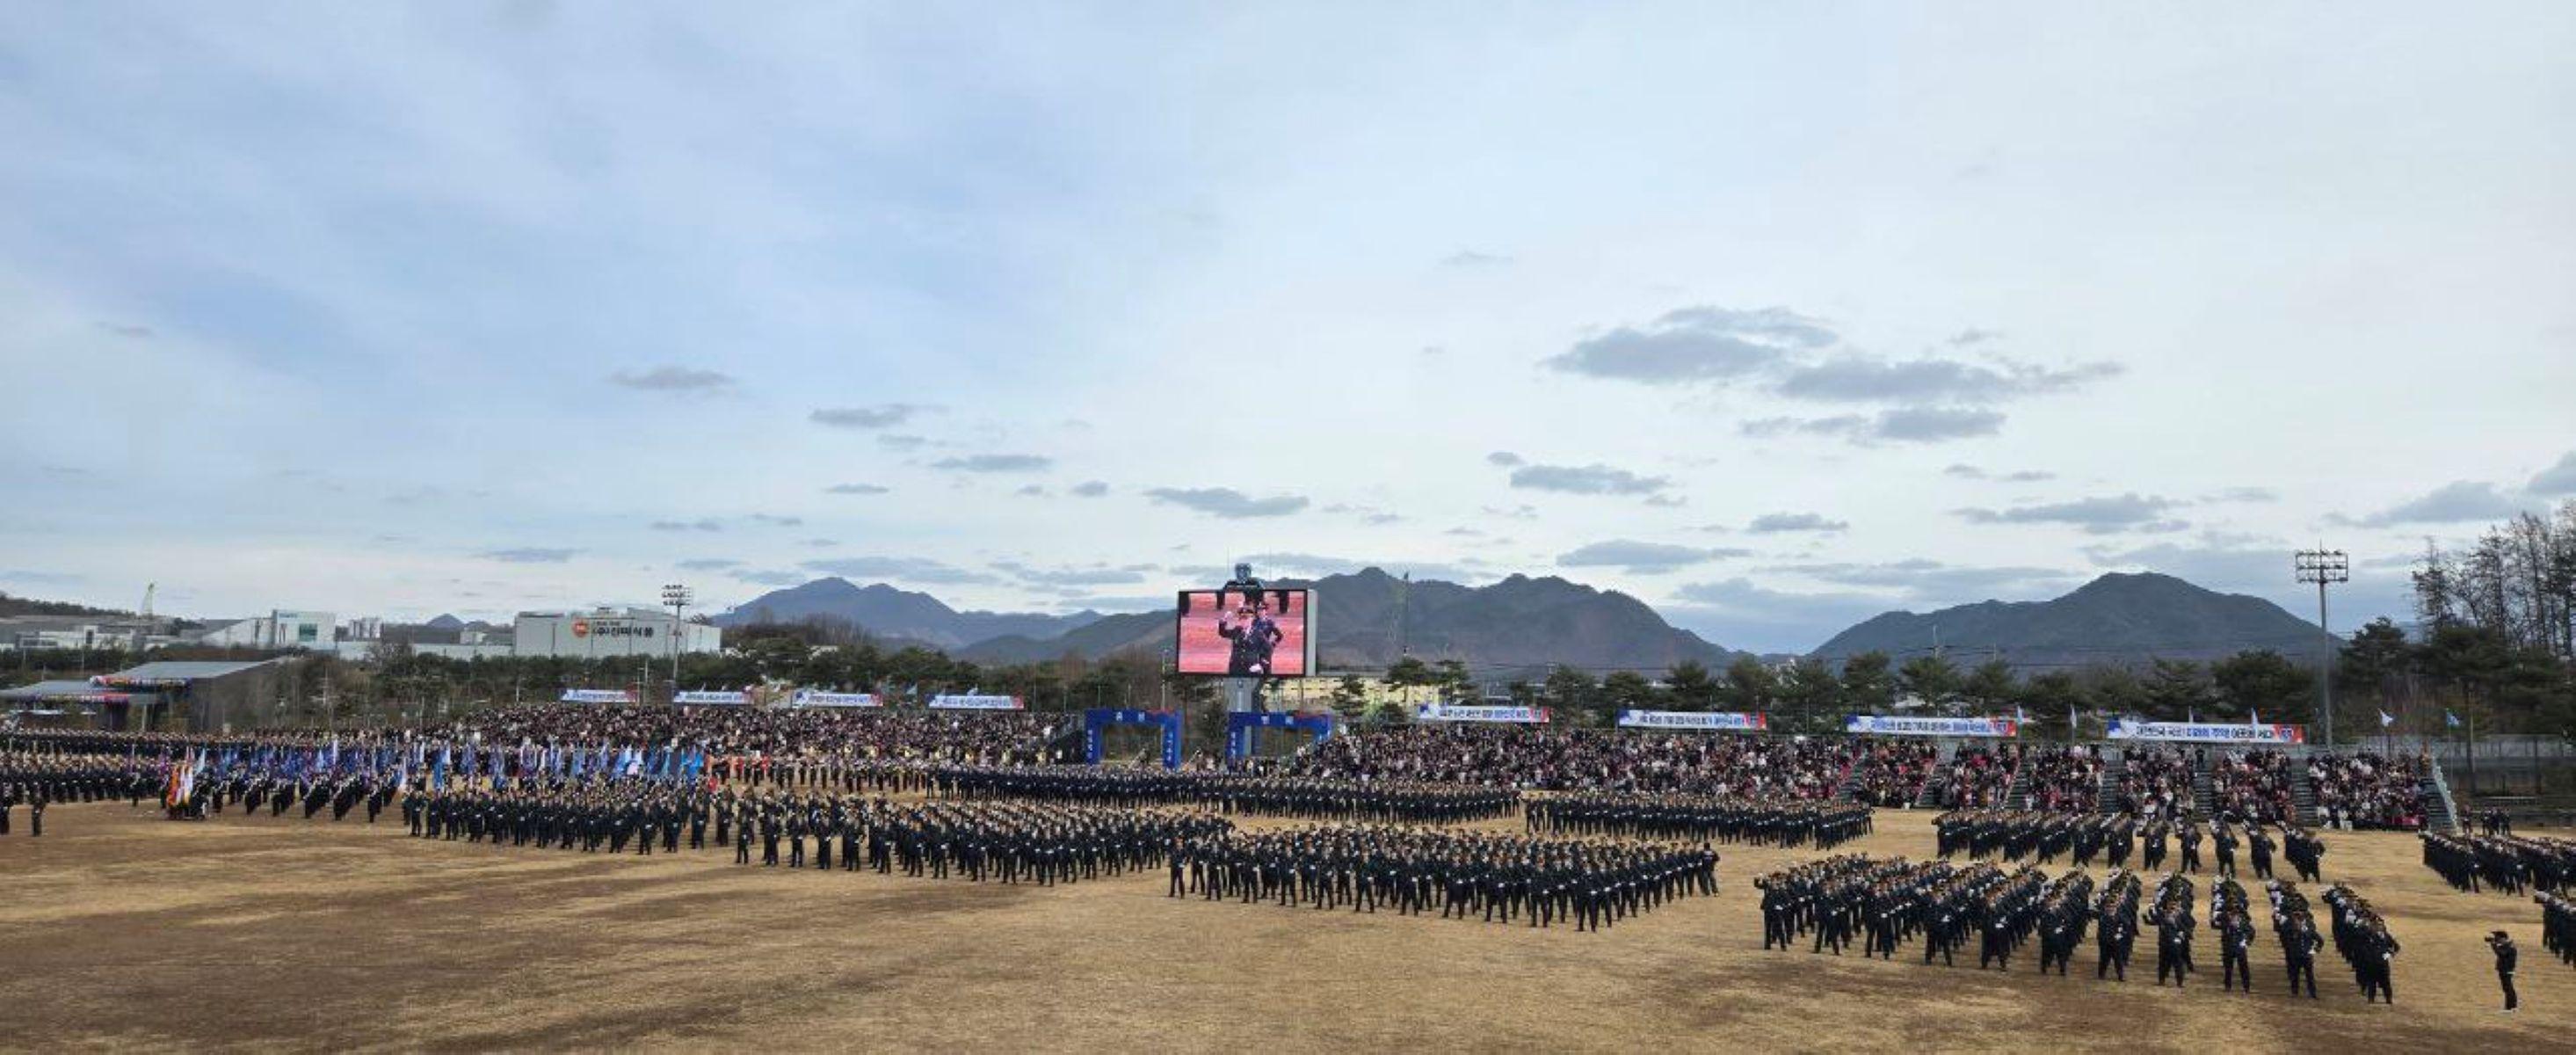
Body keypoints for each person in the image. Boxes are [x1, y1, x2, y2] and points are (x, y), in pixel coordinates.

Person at [2490, 931, 2519, 1013]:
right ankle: (2511, 1007)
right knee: (2507, 988)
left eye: (2498, 938)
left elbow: (2501, 954)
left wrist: (2494, 946)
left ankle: (2510, 1007)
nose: (2497, 940)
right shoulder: (2507, 946)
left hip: (2506, 970)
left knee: (2508, 988)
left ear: (2503, 938)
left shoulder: (2509, 947)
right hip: (2505, 969)